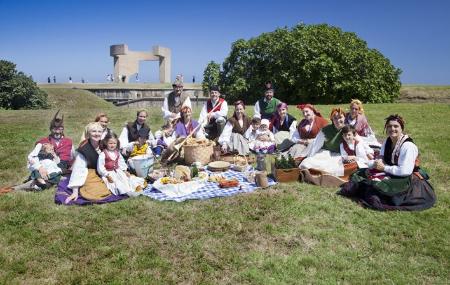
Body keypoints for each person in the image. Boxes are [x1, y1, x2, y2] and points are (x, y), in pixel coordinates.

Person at [339, 114, 436, 211]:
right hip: (389, 171)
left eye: (396, 126)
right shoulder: (388, 141)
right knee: (360, 173)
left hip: (404, 178)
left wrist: (384, 168)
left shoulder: (408, 146)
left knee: (376, 190)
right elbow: (381, 157)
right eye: (389, 126)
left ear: (401, 128)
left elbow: (405, 171)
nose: (392, 129)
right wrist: (374, 167)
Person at [63, 122, 115, 204]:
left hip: (106, 170)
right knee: (97, 192)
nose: (97, 134)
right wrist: (75, 191)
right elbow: (79, 169)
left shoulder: (104, 144)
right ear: (88, 133)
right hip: (90, 172)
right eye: (94, 131)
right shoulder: (84, 149)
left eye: (99, 131)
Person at [23, 110, 73, 190]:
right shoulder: (43, 142)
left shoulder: (69, 141)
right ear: (50, 129)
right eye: (54, 129)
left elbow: (72, 156)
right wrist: (40, 168)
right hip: (47, 166)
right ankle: (36, 182)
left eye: (60, 129)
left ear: (63, 129)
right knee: (49, 174)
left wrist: (72, 167)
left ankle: (39, 184)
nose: (57, 131)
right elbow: (32, 157)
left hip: (63, 167)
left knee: (62, 176)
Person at [299, 107, 348, 187]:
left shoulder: (348, 130)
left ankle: (319, 177)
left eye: (340, 117)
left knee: (333, 169)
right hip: (325, 153)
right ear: (332, 120)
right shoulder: (325, 130)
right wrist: (309, 157)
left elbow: (357, 142)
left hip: (338, 156)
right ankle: (314, 177)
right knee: (306, 164)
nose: (338, 120)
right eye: (335, 118)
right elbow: (316, 145)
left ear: (344, 117)